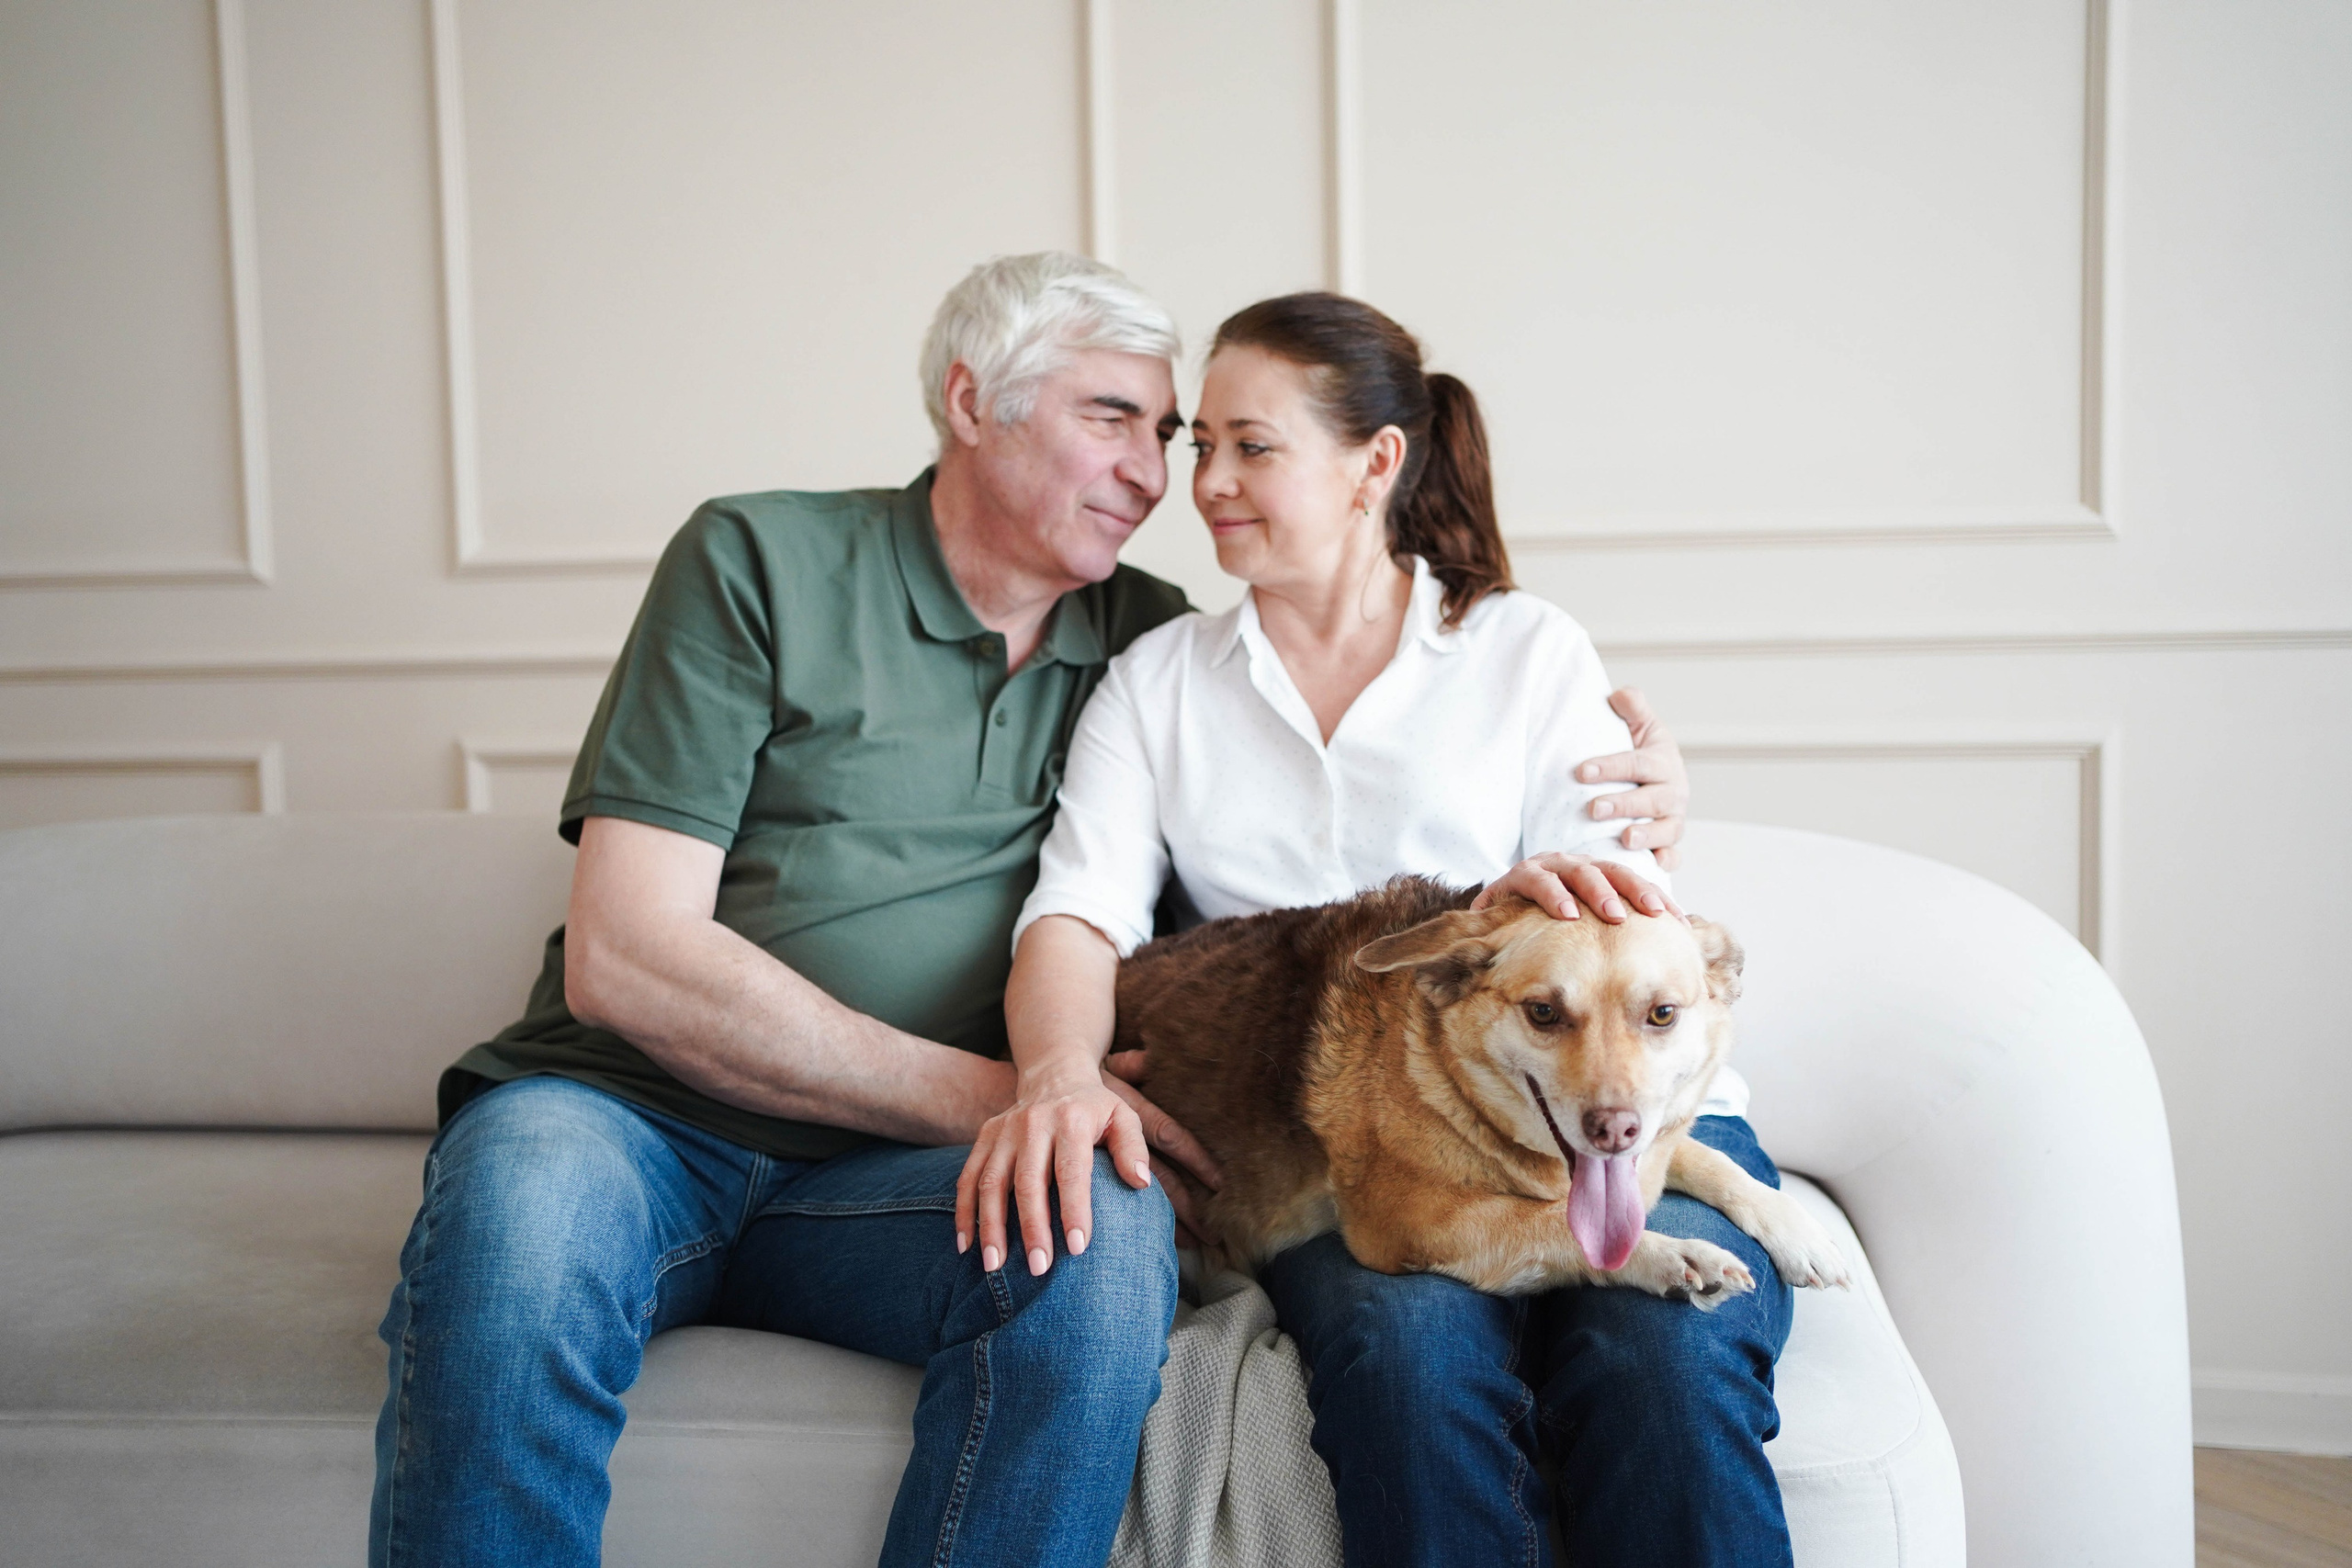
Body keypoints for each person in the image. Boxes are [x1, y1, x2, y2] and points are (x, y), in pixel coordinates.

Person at [368, 254, 1693, 1568]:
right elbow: (627, 959)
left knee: (1102, 1236)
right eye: (1111, 419)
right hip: (630, 1119)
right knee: (521, 1223)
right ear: (970, 403)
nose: (1160, 473)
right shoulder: (759, 559)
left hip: (892, 1189)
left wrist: (1650, 802)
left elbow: (1255, 912)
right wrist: (1021, 1093)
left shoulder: (1148, 643)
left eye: (1169, 433)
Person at [959, 292, 1792, 1567]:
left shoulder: (1524, 653)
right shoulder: (1160, 685)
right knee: (1403, 1362)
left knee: (1664, 1366)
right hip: (1373, 1152)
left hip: (1629, 1122)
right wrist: (1062, 1075)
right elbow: (1076, 916)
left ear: (1377, 464)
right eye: (1203, 451)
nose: (1211, 483)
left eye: (1254, 447)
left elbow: (1621, 932)